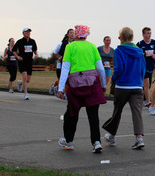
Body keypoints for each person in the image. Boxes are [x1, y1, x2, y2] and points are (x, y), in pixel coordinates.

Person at [57, 25, 107, 153]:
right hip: (92, 84)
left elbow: (65, 68)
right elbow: (100, 68)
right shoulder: (92, 47)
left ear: (76, 35)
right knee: (93, 115)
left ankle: (69, 141)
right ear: (86, 35)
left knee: (72, 113)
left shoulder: (70, 47)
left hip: (75, 85)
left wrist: (61, 87)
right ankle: (96, 142)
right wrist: (103, 85)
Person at [103, 27, 146, 150]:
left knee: (117, 111)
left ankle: (112, 135)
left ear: (121, 37)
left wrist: (113, 79)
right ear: (132, 37)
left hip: (122, 85)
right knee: (137, 112)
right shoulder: (139, 51)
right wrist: (140, 80)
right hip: (137, 85)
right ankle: (139, 138)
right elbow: (142, 69)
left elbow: (119, 68)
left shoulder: (118, 51)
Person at [12, 28, 38, 100]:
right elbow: (13, 50)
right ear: (23, 33)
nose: (28, 33)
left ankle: (20, 83)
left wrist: (36, 54)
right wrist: (17, 57)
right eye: (26, 32)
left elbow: (35, 49)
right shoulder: (20, 41)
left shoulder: (32, 41)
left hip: (29, 62)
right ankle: (26, 93)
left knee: (28, 80)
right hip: (22, 61)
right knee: (24, 75)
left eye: (29, 32)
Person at [136, 27, 155, 108]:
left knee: (147, 86)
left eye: (150, 33)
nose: (149, 34)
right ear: (143, 34)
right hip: (142, 66)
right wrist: (143, 54)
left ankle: (142, 99)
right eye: (147, 33)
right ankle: (148, 102)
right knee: (146, 83)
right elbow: (136, 54)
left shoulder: (154, 43)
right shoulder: (140, 44)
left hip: (151, 66)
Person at [50, 29, 74, 96]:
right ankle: (57, 88)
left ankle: (63, 92)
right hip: (61, 64)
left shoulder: (75, 45)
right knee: (62, 79)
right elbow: (54, 53)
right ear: (67, 35)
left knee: (68, 79)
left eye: (73, 33)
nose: (72, 34)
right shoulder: (61, 44)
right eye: (71, 33)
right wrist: (59, 58)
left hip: (71, 65)